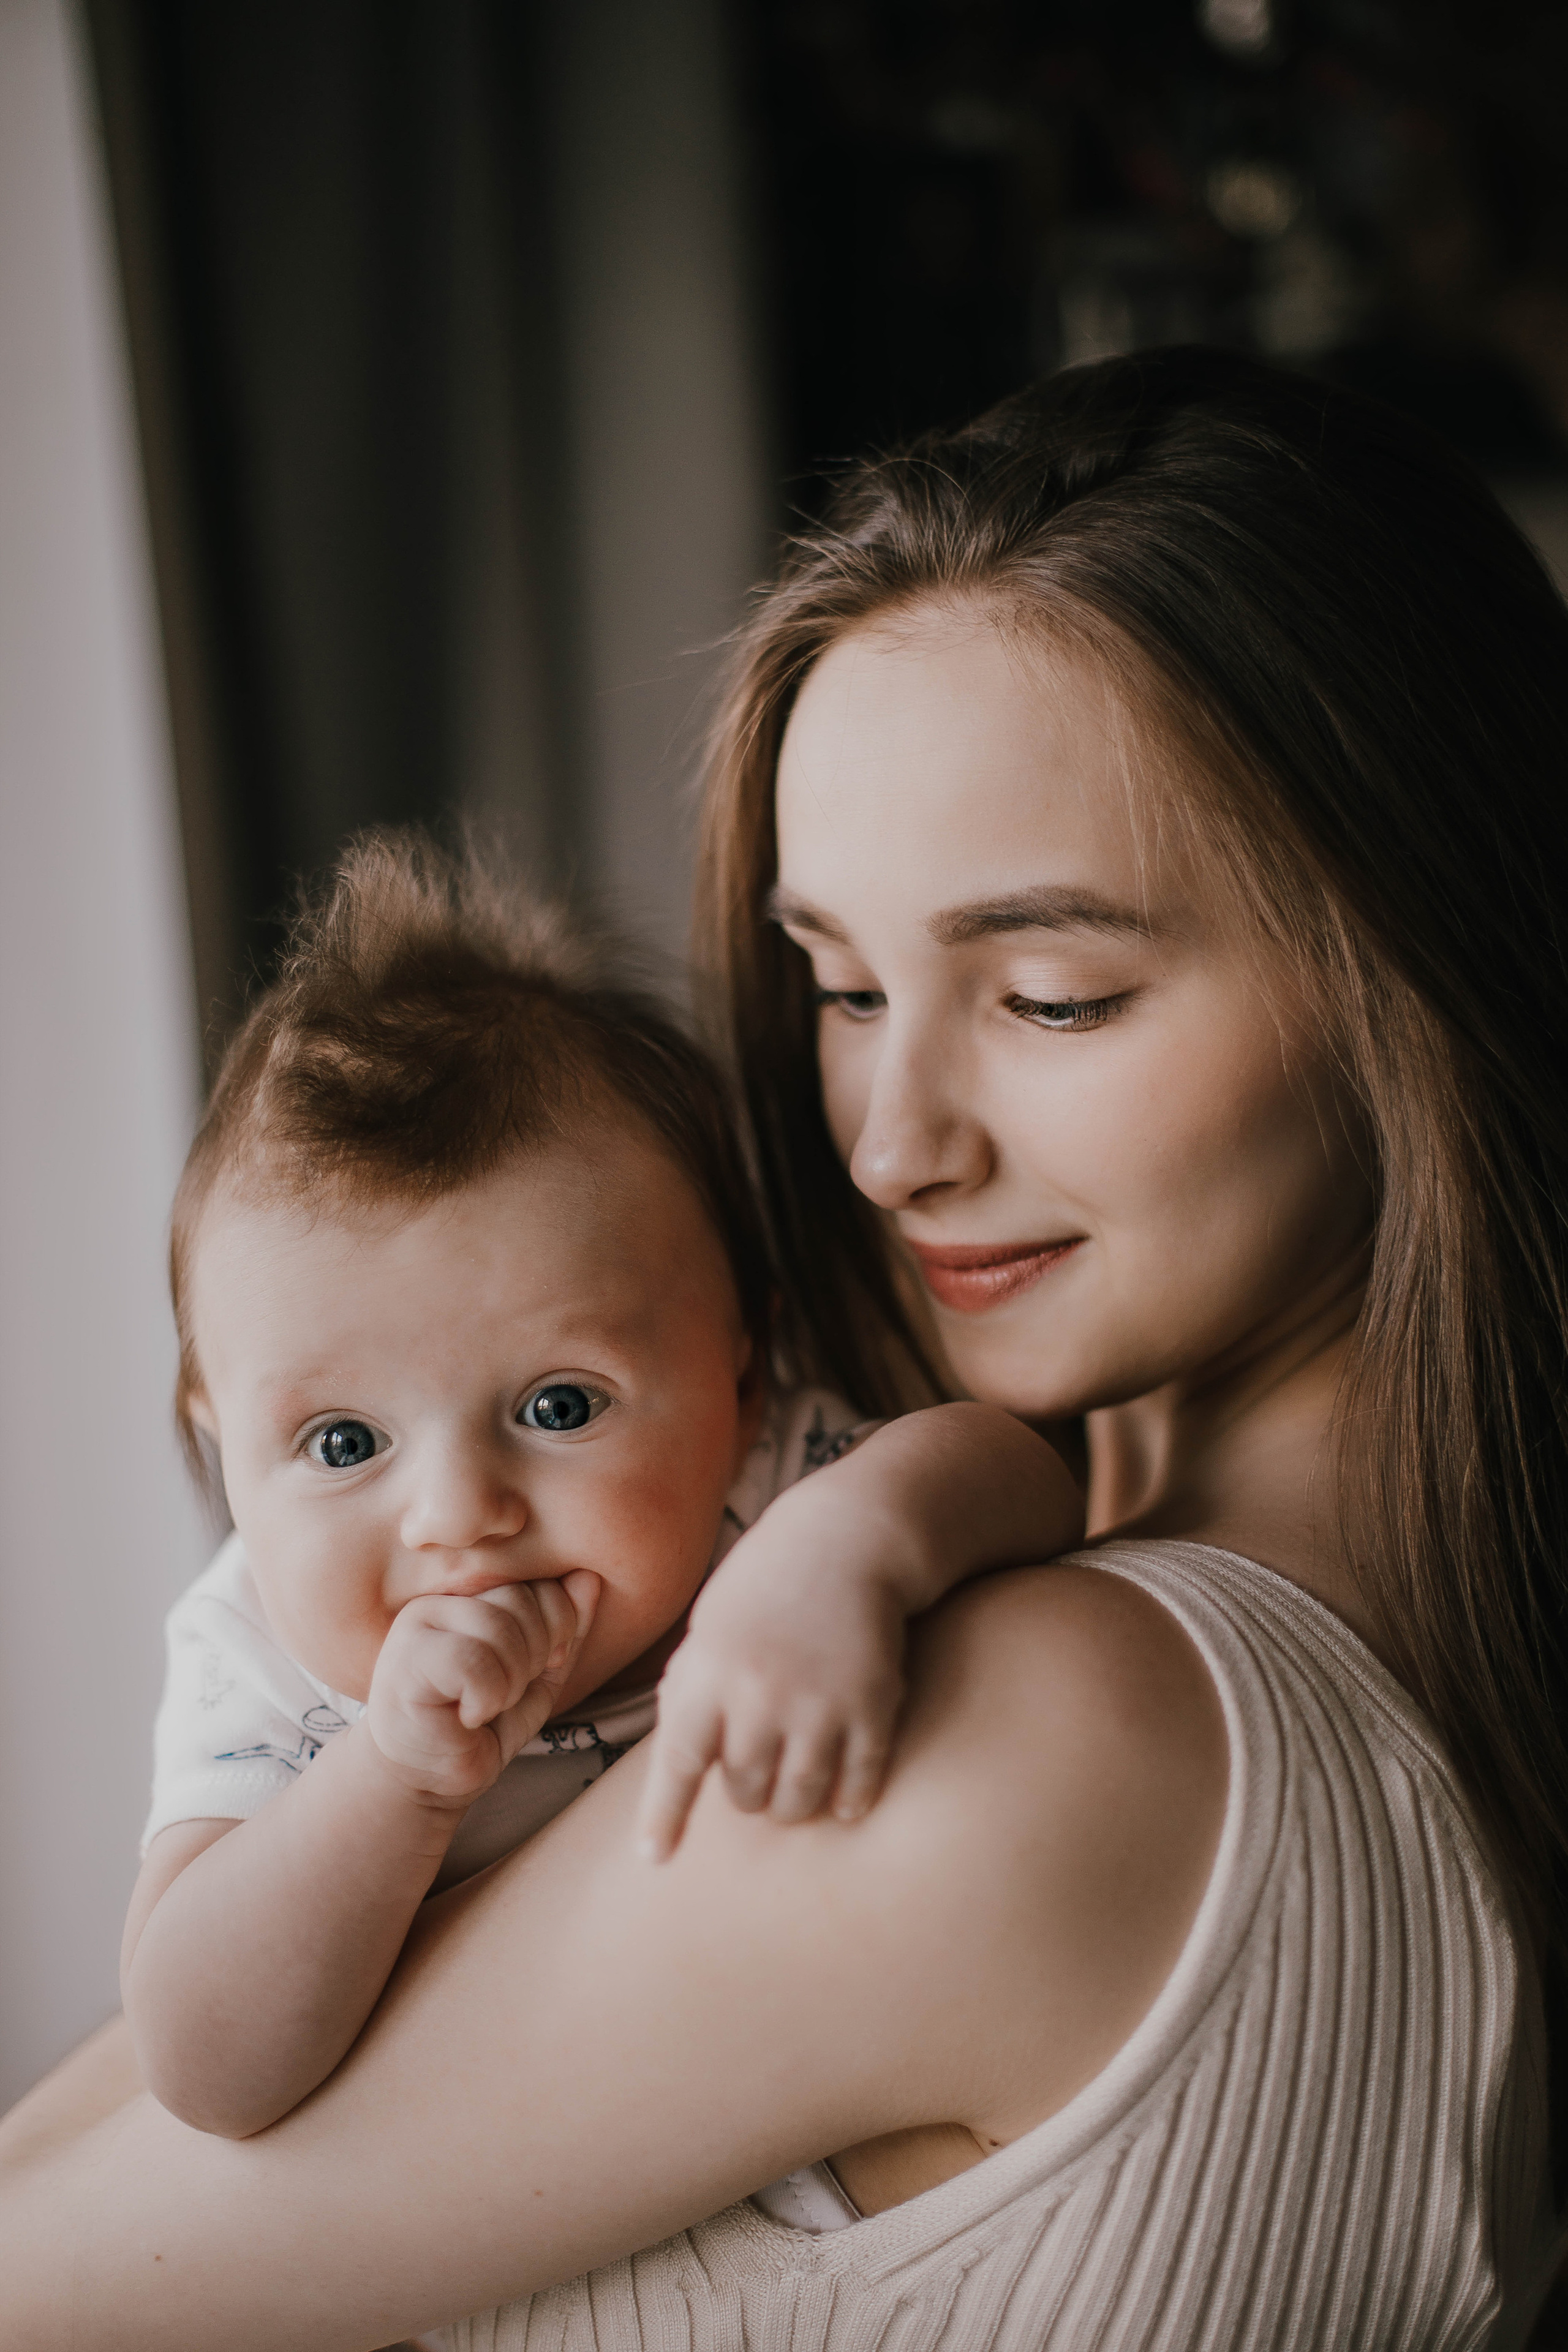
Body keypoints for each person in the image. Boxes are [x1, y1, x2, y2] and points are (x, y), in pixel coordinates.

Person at [0, 347, 1561, 2351]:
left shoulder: (1030, 1724)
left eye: (1056, 995)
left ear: (1415, 969)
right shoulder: (1358, 1675)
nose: (892, 1145)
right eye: (834, 984)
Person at [121, 833, 1080, 2144]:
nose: (457, 1513)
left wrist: (847, 1548)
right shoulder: (266, 1665)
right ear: (219, 1441)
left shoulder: (759, 1495)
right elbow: (203, 2062)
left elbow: (1027, 1476)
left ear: (741, 1373)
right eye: (344, 1443)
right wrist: (394, 1782)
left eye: (558, 1406)